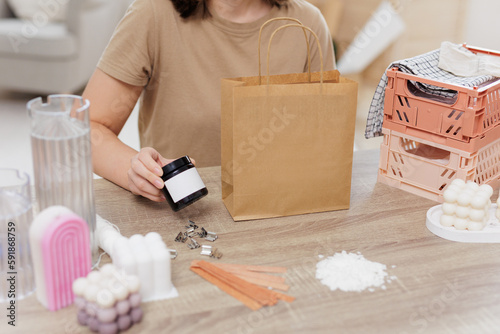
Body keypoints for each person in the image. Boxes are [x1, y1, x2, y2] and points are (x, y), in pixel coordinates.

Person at [83, 0, 335, 203]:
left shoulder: (306, 24)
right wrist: (135, 171)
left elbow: (323, 142)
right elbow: (86, 129)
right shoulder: (153, 13)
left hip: (279, 211)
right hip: (182, 215)